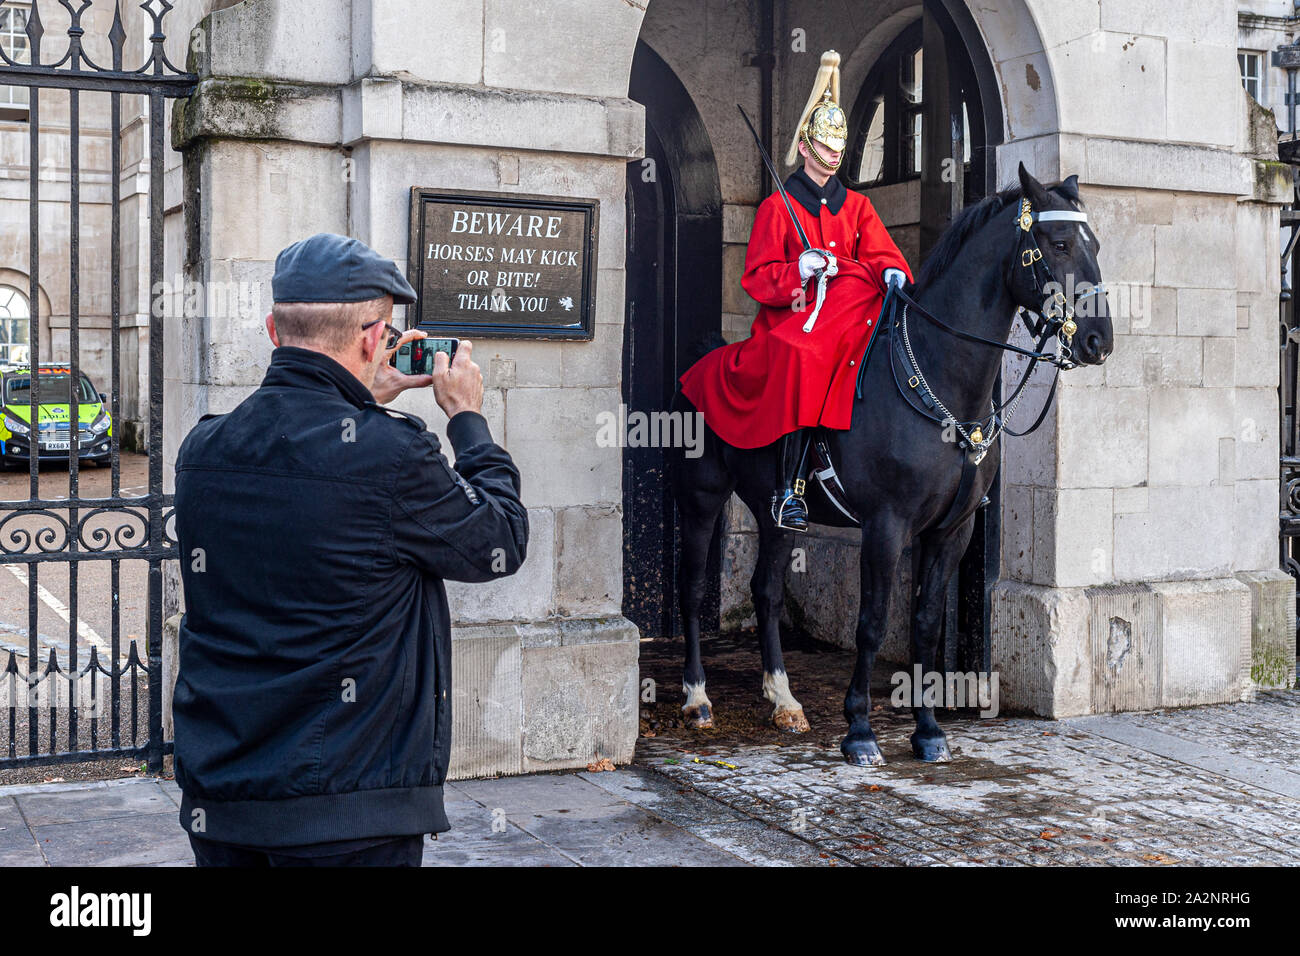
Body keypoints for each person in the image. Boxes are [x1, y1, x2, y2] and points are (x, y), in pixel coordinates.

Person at [171, 233, 529, 866]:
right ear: (372, 338)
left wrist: (359, 400)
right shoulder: (393, 457)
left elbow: (312, 475)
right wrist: (468, 420)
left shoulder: (203, 450)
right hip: (349, 810)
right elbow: (499, 541)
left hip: (225, 803)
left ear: (273, 330)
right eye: (385, 334)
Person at [678, 50, 912, 531]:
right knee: (802, 354)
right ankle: (790, 489)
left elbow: (883, 253)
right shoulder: (776, 208)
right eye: (825, 150)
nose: (834, 159)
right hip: (794, 320)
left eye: (839, 150)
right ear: (805, 148)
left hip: (850, 314)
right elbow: (758, 279)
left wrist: (892, 273)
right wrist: (798, 270)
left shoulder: (858, 207)